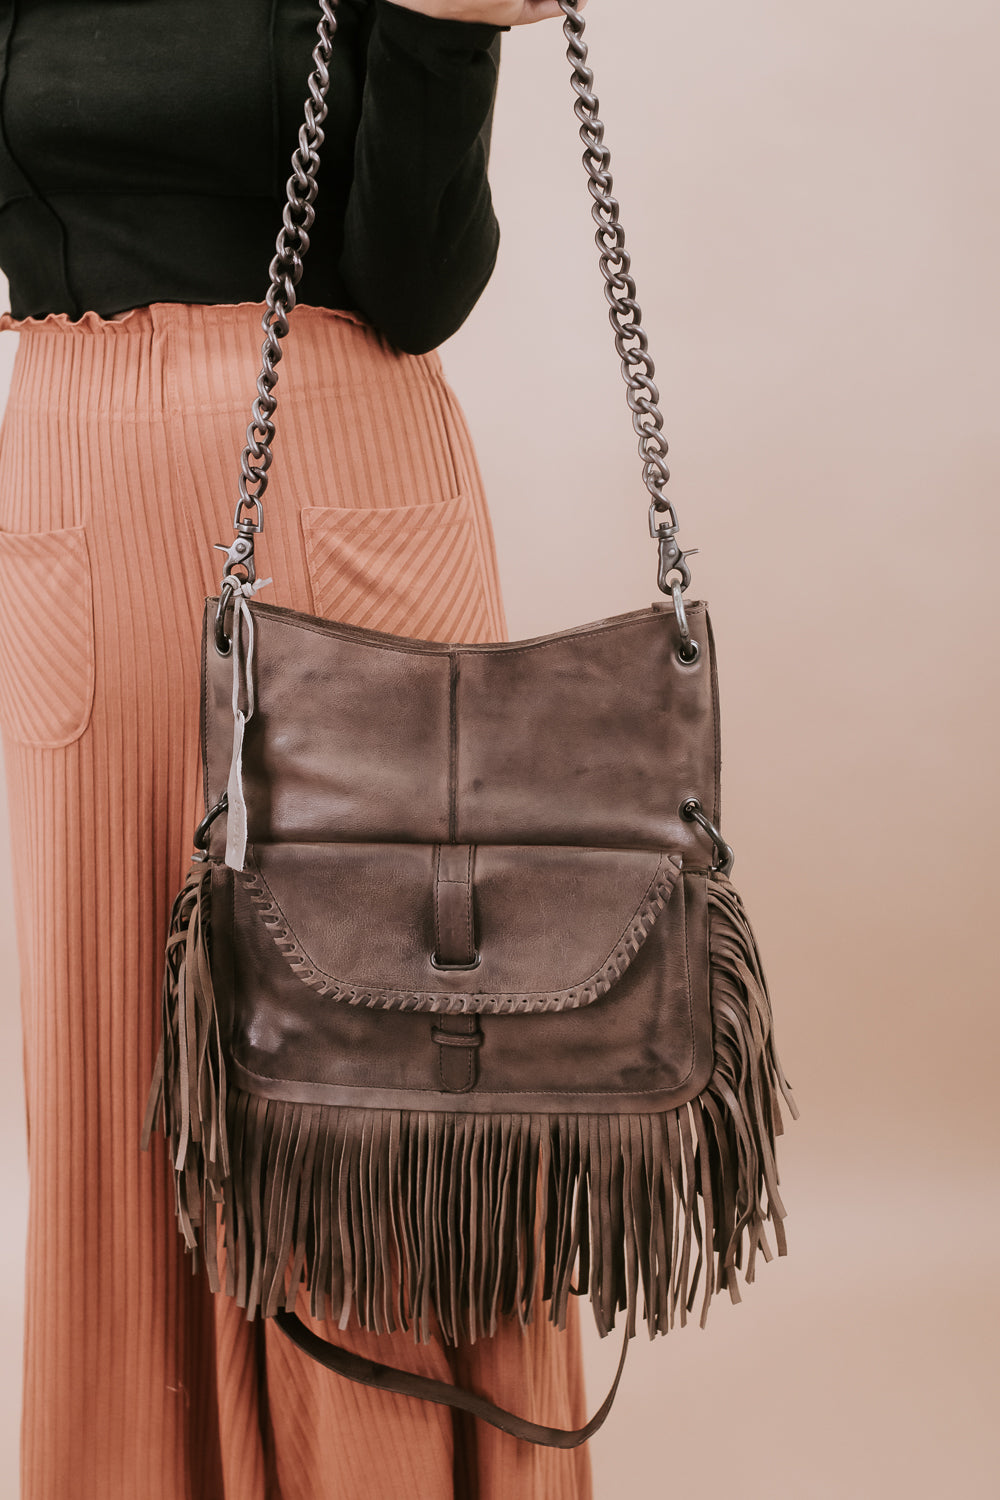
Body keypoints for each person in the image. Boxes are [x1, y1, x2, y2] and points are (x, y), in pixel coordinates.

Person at [0, 1, 593, 1496]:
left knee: (387, 1099)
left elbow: (417, 282)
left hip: (346, 488)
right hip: (77, 510)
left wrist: (444, 28)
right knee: (118, 1092)